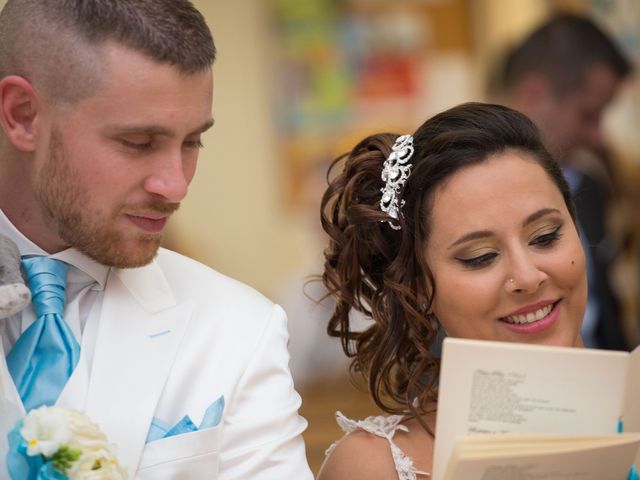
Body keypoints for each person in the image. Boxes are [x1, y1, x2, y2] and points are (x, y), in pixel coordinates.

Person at [0, 1, 312, 478]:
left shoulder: (241, 329)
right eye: (138, 143)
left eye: (192, 142)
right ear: (22, 115)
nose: (176, 185)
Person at [316, 102, 591, 479]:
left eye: (545, 236)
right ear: (417, 286)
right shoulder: (375, 468)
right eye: (480, 257)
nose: (527, 277)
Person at [495, 12, 634, 350]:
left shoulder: (589, 185)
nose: (598, 136)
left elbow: (605, 318)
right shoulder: (462, 198)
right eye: (588, 115)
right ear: (535, 95)